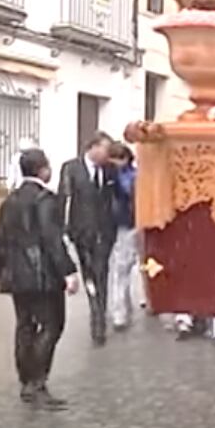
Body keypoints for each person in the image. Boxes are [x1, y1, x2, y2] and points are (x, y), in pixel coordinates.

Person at [0, 148, 80, 411]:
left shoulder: (9, 201)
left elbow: (0, 240)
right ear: (42, 169)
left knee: (25, 326)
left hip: (17, 274)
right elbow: (52, 240)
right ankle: (37, 381)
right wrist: (68, 271)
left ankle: (26, 382)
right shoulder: (45, 200)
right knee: (52, 325)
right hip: (43, 275)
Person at [60, 132, 117, 346]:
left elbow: (113, 198)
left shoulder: (109, 169)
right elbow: (63, 199)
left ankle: (99, 318)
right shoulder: (72, 168)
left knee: (102, 272)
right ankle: (97, 311)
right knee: (90, 274)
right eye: (104, 149)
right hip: (82, 234)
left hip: (104, 233)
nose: (107, 154)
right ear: (92, 147)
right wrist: (63, 230)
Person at [106, 142, 142, 331]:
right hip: (120, 223)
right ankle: (121, 309)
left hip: (128, 223)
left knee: (124, 268)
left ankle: (122, 309)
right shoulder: (112, 175)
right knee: (122, 269)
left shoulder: (129, 176)